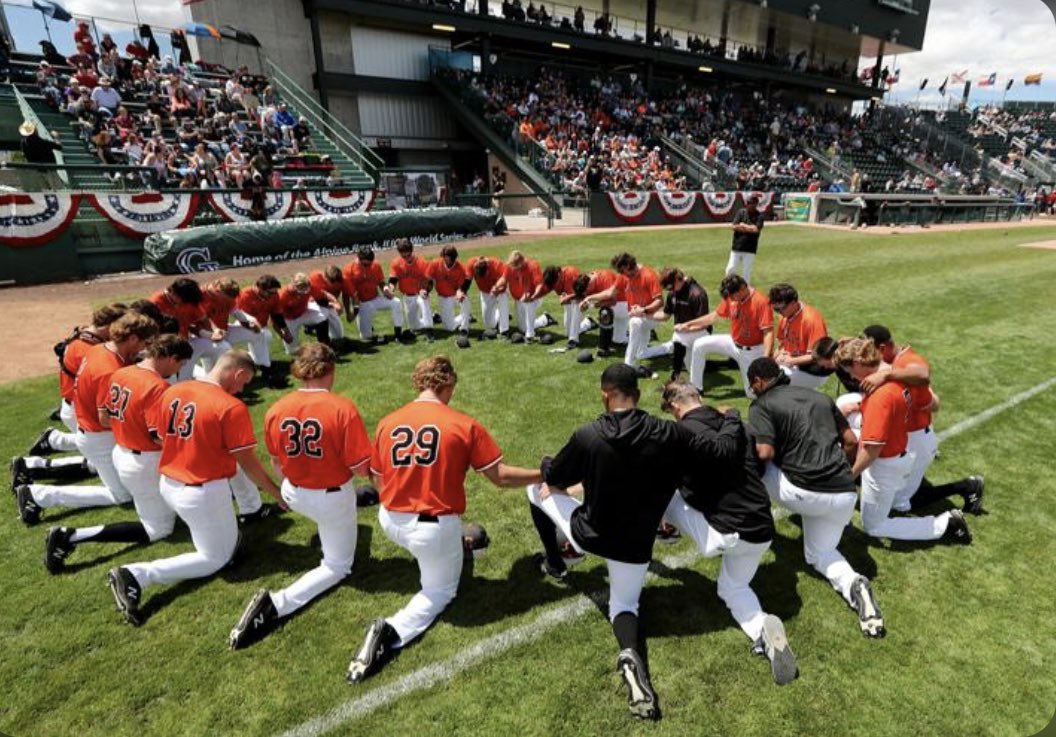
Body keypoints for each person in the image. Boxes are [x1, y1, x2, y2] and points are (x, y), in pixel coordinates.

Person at [526, 364, 741, 719]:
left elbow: (555, 476)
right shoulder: (671, 433)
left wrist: (549, 463)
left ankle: (556, 562)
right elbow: (715, 455)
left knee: (537, 491)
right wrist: (732, 418)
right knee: (625, 606)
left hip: (590, 533)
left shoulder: (588, 433)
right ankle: (629, 651)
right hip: (635, 541)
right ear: (638, 396)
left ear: (604, 394)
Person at [346, 356, 542, 683]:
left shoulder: (387, 421)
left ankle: (447, 548)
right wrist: (543, 473)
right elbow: (501, 477)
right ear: (447, 383)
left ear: (419, 382)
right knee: (440, 591)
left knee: (438, 543)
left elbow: (378, 480)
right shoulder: (462, 424)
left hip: (390, 519)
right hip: (431, 529)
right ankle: (390, 631)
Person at [107, 351, 285, 627]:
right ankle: (137, 575)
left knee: (224, 540)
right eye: (244, 383)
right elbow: (249, 465)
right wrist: (277, 494)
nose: (242, 389)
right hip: (202, 493)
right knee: (216, 559)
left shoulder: (174, 390)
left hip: (169, 483)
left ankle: (225, 539)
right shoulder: (230, 406)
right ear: (237, 373)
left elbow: (162, 436)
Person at [229, 343, 372, 649]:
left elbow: (277, 462)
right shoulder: (341, 407)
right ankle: (277, 604)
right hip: (331, 497)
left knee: (332, 524)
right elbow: (360, 468)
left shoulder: (276, 408)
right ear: (330, 370)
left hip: (293, 493)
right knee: (337, 566)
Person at [659, 380, 797, 684]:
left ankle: (655, 533)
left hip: (723, 533)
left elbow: (687, 485)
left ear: (674, 406)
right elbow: (757, 468)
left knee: (661, 490)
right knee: (731, 588)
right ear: (700, 396)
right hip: (761, 528)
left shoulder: (680, 434)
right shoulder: (739, 426)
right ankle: (763, 631)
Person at [746, 357, 886, 638]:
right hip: (844, 492)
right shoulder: (819, 397)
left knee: (750, 457)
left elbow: (764, 454)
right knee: (819, 554)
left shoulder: (761, 404)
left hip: (802, 491)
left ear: (759, 382)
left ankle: (743, 520)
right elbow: (851, 442)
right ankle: (855, 583)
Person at [43, 335, 193, 573]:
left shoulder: (122, 373)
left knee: (168, 495)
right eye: (181, 363)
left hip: (121, 452)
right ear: (171, 358)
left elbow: (106, 416)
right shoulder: (157, 386)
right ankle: (70, 537)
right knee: (159, 529)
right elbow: (157, 436)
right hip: (143, 461)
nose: (180, 369)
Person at [16, 312, 159, 525]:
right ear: (132, 339)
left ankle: (35, 463)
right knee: (122, 495)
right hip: (99, 436)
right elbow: (105, 419)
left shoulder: (100, 349)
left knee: (124, 474)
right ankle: (38, 495)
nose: (146, 348)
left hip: (90, 430)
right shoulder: (108, 371)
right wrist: (138, 426)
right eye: (145, 342)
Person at [835, 339, 972, 545]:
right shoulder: (894, 378)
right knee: (898, 504)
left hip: (884, 465)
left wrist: (850, 475)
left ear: (859, 364)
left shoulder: (880, 396)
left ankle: (945, 524)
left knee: (874, 526)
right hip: (900, 454)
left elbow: (872, 449)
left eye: (849, 371)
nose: (850, 377)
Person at [860, 325, 984, 515]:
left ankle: (967, 487)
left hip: (917, 438)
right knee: (900, 490)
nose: (867, 357)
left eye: (869, 351)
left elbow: (923, 376)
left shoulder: (908, 359)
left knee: (900, 502)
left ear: (882, 348)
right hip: (909, 436)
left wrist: (885, 374)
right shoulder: (897, 361)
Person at [16, 304, 128, 487]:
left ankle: (53, 441)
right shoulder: (88, 348)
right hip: (79, 408)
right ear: (109, 325)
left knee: (98, 451)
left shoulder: (84, 338)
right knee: (100, 456)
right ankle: (31, 466)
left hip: (74, 406)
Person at [675, 274, 773, 395]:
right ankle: (696, 389)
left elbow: (768, 332)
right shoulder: (731, 297)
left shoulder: (761, 302)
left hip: (751, 351)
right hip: (733, 343)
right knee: (699, 345)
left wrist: (766, 358)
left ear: (743, 287)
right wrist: (688, 324)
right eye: (730, 297)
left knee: (753, 394)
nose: (731, 299)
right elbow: (714, 316)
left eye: (733, 296)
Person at [646, 268, 710, 382]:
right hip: (684, 331)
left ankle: (675, 376)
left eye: (670, 287)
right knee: (693, 367)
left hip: (700, 331)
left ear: (677, 280)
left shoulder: (697, 294)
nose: (670, 291)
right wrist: (645, 313)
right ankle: (721, 365)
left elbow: (704, 323)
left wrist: (686, 328)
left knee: (678, 340)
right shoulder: (673, 293)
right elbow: (666, 315)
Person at [768, 283, 830, 390]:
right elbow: (783, 343)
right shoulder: (785, 316)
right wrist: (773, 359)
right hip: (794, 365)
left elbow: (818, 356)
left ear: (793, 303)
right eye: (775, 309)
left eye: (780, 309)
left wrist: (790, 360)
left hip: (813, 371)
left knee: (773, 381)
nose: (778, 312)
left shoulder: (812, 320)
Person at [612, 253, 664, 376]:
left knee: (635, 322)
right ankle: (670, 346)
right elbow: (611, 292)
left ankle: (628, 365)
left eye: (627, 273)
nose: (626, 277)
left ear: (632, 266)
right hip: (636, 314)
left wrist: (643, 310)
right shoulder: (624, 275)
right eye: (623, 273)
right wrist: (590, 300)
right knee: (641, 353)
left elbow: (660, 301)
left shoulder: (648, 275)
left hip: (652, 316)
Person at [342, 248, 405, 344]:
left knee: (396, 302)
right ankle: (369, 330)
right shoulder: (348, 270)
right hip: (362, 303)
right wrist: (348, 312)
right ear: (358, 259)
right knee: (366, 337)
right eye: (365, 264)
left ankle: (398, 334)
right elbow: (346, 294)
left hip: (375, 298)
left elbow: (381, 282)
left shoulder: (375, 265)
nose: (368, 266)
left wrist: (386, 290)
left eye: (369, 264)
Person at [234, 274, 284, 386]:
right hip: (244, 325)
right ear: (260, 288)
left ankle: (258, 363)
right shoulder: (245, 294)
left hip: (261, 326)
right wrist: (252, 327)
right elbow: (242, 318)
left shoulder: (273, 295)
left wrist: (284, 332)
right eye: (270, 292)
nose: (273, 295)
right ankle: (265, 367)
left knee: (267, 337)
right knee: (262, 335)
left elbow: (277, 314)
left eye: (274, 292)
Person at [500, 250, 552, 342]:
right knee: (522, 328)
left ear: (521, 261)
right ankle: (545, 319)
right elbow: (504, 278)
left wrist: (533, 296)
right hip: (519, 299)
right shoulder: (510, 266)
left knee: (529, 304)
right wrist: (496, 287)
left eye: (516, 266)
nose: (514, 268)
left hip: (535, 297)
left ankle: (530, 336)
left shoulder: (533, 265)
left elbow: (539, 285)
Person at [577, 266, 630, 355]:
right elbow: (586, 301)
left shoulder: (605, 276)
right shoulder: (588, 281)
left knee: (605, 312)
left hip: (625, 304)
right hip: (619, 307)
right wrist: (583, 306)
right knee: (618, 340)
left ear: (589, 284)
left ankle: (603, 348)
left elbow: (612, 301)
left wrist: (592, 305)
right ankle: (640, 334)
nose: (587, 293)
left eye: (587, 291)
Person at [389, 238, 433, 339]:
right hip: (407, 296)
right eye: (403, 256)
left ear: (412, 251)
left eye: (408, 255)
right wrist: (390, 289)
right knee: (414, 327)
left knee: (424, 301)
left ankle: (429, 330)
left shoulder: (422, 262)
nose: (406, 258)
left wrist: (425, 290)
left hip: (419, 293)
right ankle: (434, 317)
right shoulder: (396, 263)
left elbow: (430, 282)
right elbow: (393, 280)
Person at [541, 263, 594, 348]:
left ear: (558, 277)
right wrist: (565, 298)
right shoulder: (555, 280)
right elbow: (563, 295)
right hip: (572, 299)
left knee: (575, 305)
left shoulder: (572, 274)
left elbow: (581, 293)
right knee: (569, 331)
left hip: (585, 299)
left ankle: (574, 340)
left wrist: (567, 298)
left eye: (554, 286)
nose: (553, 288)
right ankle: (588, 323)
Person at [276, 273, 330, 353]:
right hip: (289, 319)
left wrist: (335, 303)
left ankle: (324, 345)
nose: (304, 292)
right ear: (294, 285)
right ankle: (305, 332)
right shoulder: (282, 295)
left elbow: (323, 295)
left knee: (323, 316)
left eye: (305, 288)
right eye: (301, 289)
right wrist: (283, 334)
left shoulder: (310, 287)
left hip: (303, 313)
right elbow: (276, 318)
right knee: (292, 351)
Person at [427, 246, 471, 336]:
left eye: (450, 258)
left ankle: (464, 328)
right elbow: (427, 278)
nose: (447, 260)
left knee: (465, 299)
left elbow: (461, 287)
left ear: (454, 258)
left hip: (455, 296)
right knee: (449, 328)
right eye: (445, 257)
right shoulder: (435, 264)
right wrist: (425, 289)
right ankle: (465, 316)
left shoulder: (461, 268)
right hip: (443, 297)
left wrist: (460, 292)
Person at [466, 255, 509, 337]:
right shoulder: (471, 263)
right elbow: (466, 281)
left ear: (488, 269)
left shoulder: (497, 265)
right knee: (489, 325)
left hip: (500, 291)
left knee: (503, 300)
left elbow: (506, 281)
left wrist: (498, 289)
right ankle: (500, 314)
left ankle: (504, 330)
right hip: (485, 292)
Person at [726, 196, 765, 283]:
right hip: (737, 246)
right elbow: (734, 226)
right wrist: (749, 228)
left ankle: (746, 290)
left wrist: (743, 225)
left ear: (755, 204)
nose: (747, 205)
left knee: (746, 271)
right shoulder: (741, 212)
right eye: (747, 203)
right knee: (730, 268)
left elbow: (756, 229)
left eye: (749, 203)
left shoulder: (759, 216)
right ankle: (730, 286)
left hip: (750, 248)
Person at [307, 267, 347, 345]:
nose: (333, 284)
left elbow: (326, 295)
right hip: (313, 303)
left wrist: (336, 303)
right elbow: (317, 300)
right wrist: (333, 304)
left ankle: (334, 338)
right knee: (323, 316)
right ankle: (323, 341)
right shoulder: (315, 278)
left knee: (339, 336)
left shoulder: (338, 279)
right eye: (331, 281)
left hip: (325, 302)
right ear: (325, 277)